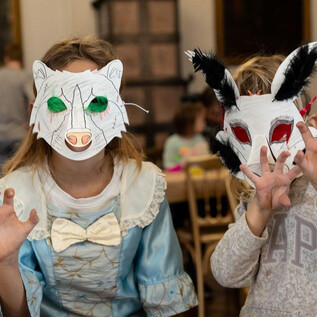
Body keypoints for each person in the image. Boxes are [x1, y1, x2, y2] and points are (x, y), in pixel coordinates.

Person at [0, 36, 198, 317]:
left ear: (117, 109)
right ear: (36, 113)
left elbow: (167, 297)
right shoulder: (16, 196)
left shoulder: (142, 186)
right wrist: (6, 262)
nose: (78, 125)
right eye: (58, 105)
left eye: (97, 102)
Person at [188, 43, 317, 316]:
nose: (262, 151)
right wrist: (259, 210)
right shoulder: (252, 199)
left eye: (279, 128)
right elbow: (227, 274)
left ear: (308, 122)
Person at [0, 43, 33, 167]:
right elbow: (33, 100)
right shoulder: (24, 76)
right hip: (18, 133)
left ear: (6, 58)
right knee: (17, 174)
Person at [163, 100, 210, 171]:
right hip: (178, 178)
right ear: (189, 123)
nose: (204, 122)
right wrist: (182, 165)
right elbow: (168, 166)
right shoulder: (172, 142)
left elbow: (206, 160)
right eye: (201, 120)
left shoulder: (200, 139)